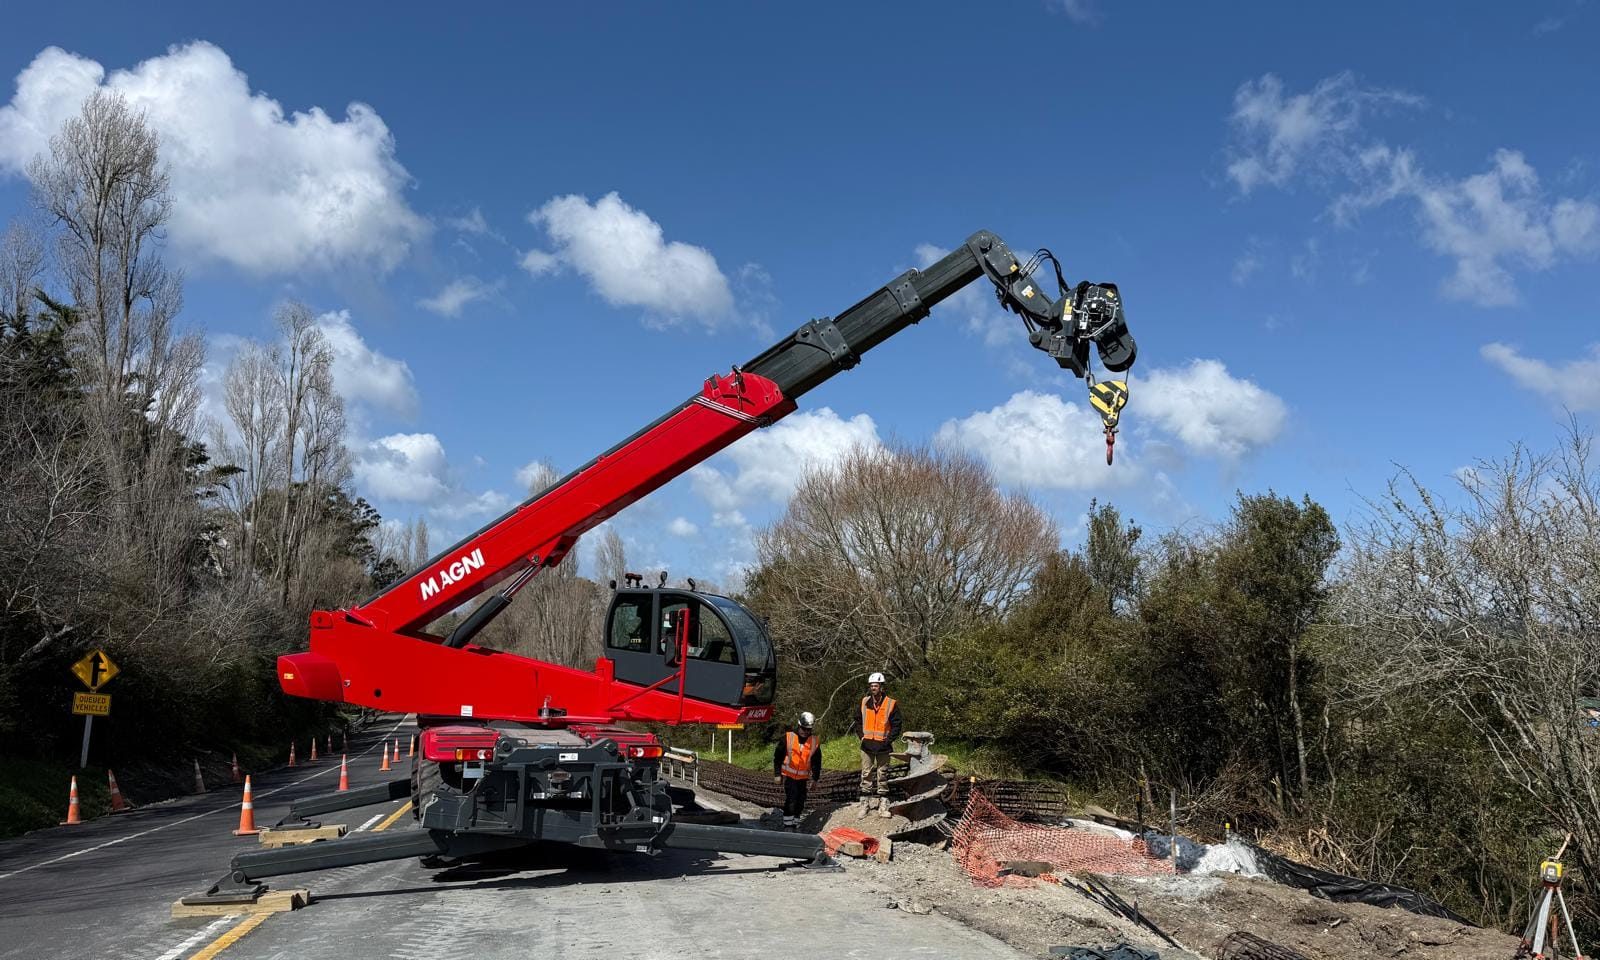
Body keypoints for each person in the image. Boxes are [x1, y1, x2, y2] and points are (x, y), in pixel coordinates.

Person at [852, 672, 901, 817]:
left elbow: (897, 724)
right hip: (867, 745)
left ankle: (883, 806)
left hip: (883, 746)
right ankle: (865, 804)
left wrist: (888, 740)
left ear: (881, 687)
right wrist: (861, 737)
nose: (873, 688)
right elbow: (858, 721)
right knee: (866, 774)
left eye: (876, 685)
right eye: (871, 685)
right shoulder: (864, 702)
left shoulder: (891, 704)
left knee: (882, 774)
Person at [773, 711, 822, 829]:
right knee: (791, 799)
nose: (805, 732)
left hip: (803, 778)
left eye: (808, 730)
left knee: (800, 801)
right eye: (804, 729)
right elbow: (777, 757)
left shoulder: (814, 742)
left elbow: (817, 762)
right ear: (799, 726)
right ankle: (788, 825)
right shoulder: (788, 737)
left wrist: (815, 779)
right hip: (789, 777)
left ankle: (795, 822)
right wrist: (777, 774)